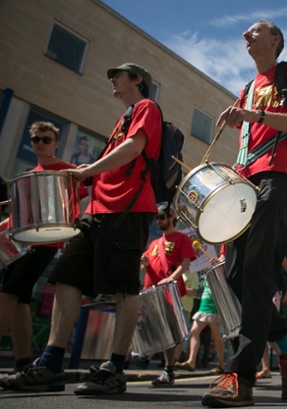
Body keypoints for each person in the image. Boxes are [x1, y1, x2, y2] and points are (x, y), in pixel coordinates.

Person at [0, 63, 161, 394]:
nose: (112, 81)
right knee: (66, 277)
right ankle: (50, 364)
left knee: (124, 288)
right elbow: (117, 158)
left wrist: (89, 169)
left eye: (117, 75)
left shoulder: (147, 107)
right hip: (96, 211)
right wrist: (91, 172)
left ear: (137, 80)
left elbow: (134, 149)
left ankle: (115, 368)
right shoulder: (124, 117)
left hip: (127, 209)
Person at [201, 20, 287, 408]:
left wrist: (254, 117)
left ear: (276, 40)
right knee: (233, 273)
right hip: (245, 184)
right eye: (245, 33)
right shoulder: (246, 90)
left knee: (256, 271)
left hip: (278, 179)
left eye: (255, 31)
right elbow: (247, 147)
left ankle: (240, 377)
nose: (246, 36)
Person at [0, 121, 88, 373]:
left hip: (45, 242)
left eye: (46, 139)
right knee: (19, 301)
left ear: (56, 143)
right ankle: (23, 363)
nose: (41, 143)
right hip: (23, 242)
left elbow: (75, 203)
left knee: (8, 296)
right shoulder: (32, 172)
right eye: (36, 139)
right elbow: (18, 215)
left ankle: (24, 363)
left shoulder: (67, 171)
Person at [140, 205, 197, 386]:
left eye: (162, 217)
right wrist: (144, 264)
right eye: (157, 218)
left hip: (169, 291)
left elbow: (186, 262)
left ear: (172, 217)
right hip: (151, 290)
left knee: (170, 331)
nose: (159, 221)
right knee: (157, 329)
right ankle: (158, 364)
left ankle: (169, 369)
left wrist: (172, 278)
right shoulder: (153, 243)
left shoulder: (182, 238)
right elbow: (144, 266)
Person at [256, 259, 287, 380]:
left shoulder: (277, 252)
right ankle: (266, 368)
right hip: (264, 295)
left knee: (272, 333)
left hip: (276, 295)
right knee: (262, 335)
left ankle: (284, 361)